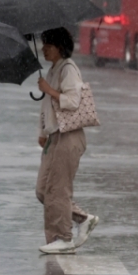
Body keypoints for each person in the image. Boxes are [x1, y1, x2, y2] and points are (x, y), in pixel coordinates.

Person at [35, 27, 99, 255]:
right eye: (43, 44)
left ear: (59, 47)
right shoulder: (53, 70)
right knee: (43, 190)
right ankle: (83, 219)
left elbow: (72, 101)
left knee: (57, 191)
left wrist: (49, 90)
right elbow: (46, 106)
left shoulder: (68, 69)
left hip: (69, 135)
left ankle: (62, 238)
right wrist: (42, 131)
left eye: (48, 45)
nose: (43, 49)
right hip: (54, 135)